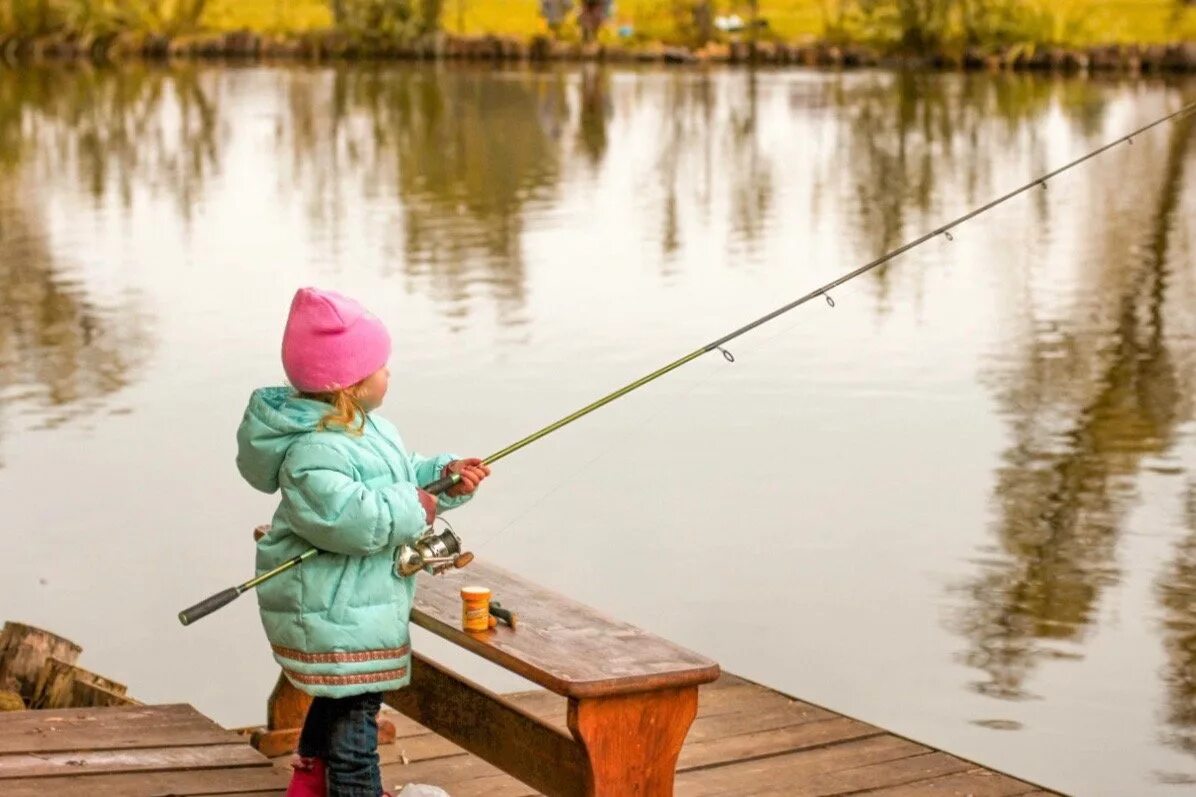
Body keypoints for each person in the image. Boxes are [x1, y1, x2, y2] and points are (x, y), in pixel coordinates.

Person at [236, 287, 489, 797]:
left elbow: (401, 473)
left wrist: (443, 474)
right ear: (350, 384)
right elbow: (349, 518)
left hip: (351, 607)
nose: (388, 373)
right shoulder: (312, 451)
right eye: (381, 366)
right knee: (357, 731)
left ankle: (309, 781)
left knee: (337, 704)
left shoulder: (368, 429)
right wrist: (414, 506)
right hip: (336, 612)